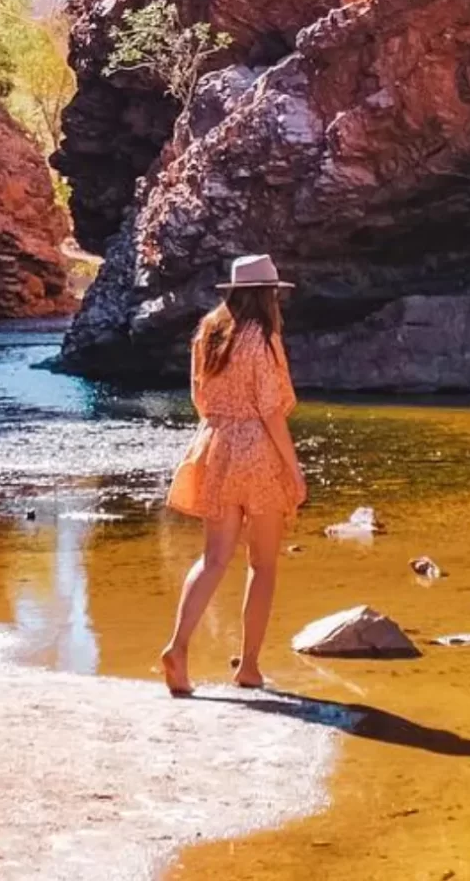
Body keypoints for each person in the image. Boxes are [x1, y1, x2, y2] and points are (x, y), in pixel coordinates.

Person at [158, 253, 306, 696]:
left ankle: (178, 647)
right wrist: (293, 469)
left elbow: (200, 402)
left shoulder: (208, 332)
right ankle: (249, 668)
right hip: (258, 452)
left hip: (217, 447)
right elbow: (271, 410)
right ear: (268, 296)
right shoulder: (263, 337)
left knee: (213, 559)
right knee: (262, 565)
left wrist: (226, 425)